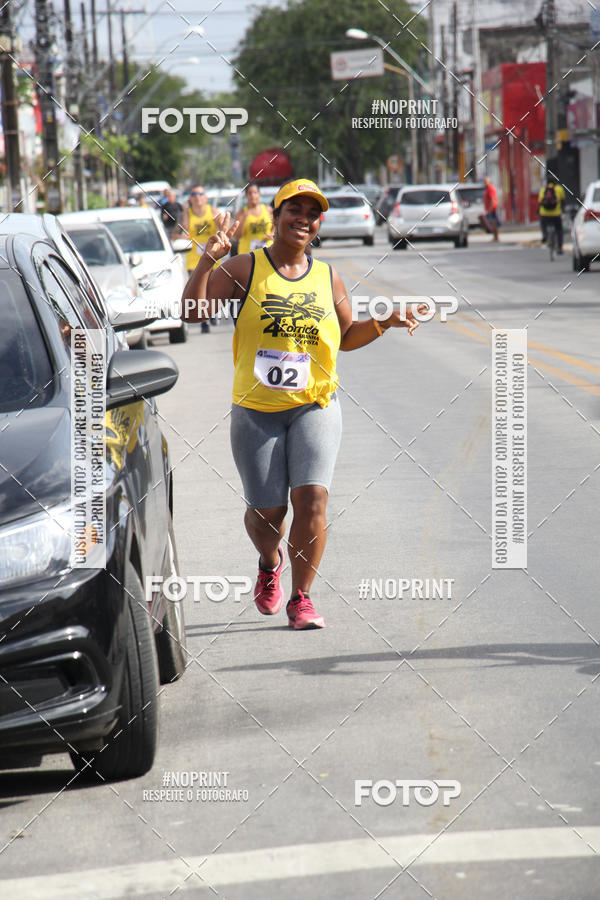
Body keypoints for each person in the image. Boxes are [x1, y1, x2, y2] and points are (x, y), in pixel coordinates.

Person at [182, 178, 428, 630]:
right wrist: (206, 262)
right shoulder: (244, 268)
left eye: (312, 214)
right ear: (274, 218)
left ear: (318, 225)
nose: (303, 219)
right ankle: (269, 561)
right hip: (256, 410)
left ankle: (302, 598)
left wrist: (384, 322)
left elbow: (346, 336)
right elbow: (194, 313)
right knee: (267, 513)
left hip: (315, 404)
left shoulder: (327, 276)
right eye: (293, 210)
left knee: (313, 499)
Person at [181, 185, 220, 333]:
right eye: (194, 194)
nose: (198, 197)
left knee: (211, 290)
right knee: (199, 291)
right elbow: (183, 230)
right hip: (194, 259)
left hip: (211, 257)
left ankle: (211, 312)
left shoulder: (213, 212)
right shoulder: (188, 213)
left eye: (200, 193)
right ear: (190, 198)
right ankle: (204, 321)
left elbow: (223, 228)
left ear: (205, 197)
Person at [234, 182, 274, 255]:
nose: (253, 196)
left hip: (267, 252)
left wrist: (272, 234)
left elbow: (276, 227)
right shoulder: (241, 213)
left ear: (259, 194)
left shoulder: (268, 210)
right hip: (248, 254)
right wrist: (244, 218)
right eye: (250, 193)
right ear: (246, 196)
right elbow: (237, 236)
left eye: (255, 193)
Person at [538, 176, 565, 253]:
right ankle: (560, 248)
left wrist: (538, 211)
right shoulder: (559, 189)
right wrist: (563, 210)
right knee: (559, 230)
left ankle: (545, 236)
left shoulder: (543, 189)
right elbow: (563, 201)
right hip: (556, 214)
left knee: (542, 223)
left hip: (544, 214)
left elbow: (540, 202)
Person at [479, 177, 500, 241]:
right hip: (490, 208)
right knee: (491, 222)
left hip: (492, 208)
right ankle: (495, 237)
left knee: (493, 223)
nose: (485, 183)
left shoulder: (490, 188)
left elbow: (492, 199)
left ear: (489, 182)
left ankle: (496, 237)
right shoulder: (488, 189)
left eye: (486, 182)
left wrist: (490, 209)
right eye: (484, 182)